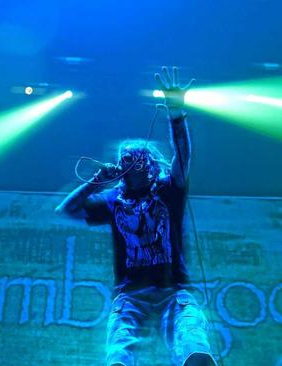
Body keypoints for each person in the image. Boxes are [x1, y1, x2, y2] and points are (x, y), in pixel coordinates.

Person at [55, 67, 216, 366]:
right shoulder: (114, 199)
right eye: (122, 159)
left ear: (146, 164)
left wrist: (176, 113)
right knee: (118, 355)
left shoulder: (168, 190)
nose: (123, 162)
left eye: (130, 158)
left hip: (174, 290)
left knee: (194, 345)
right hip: (130, 293)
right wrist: (94, 181)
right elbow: (67, 210)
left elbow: (183, 158)